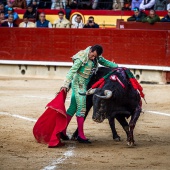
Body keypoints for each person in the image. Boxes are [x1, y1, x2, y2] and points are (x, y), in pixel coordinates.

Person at [60, 45, 118, 143]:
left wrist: (117, 67)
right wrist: (65, 85)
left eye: (95, 57)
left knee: (73, 107)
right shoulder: (81, 57)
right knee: (82, 109)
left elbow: (105, 62)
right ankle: (81, 136)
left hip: (84, 84)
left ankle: (62, 131)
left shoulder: (96, 56)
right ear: (90, 50)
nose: (93, 58)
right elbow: (71, 71)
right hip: (79, 84)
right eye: (92, 55)